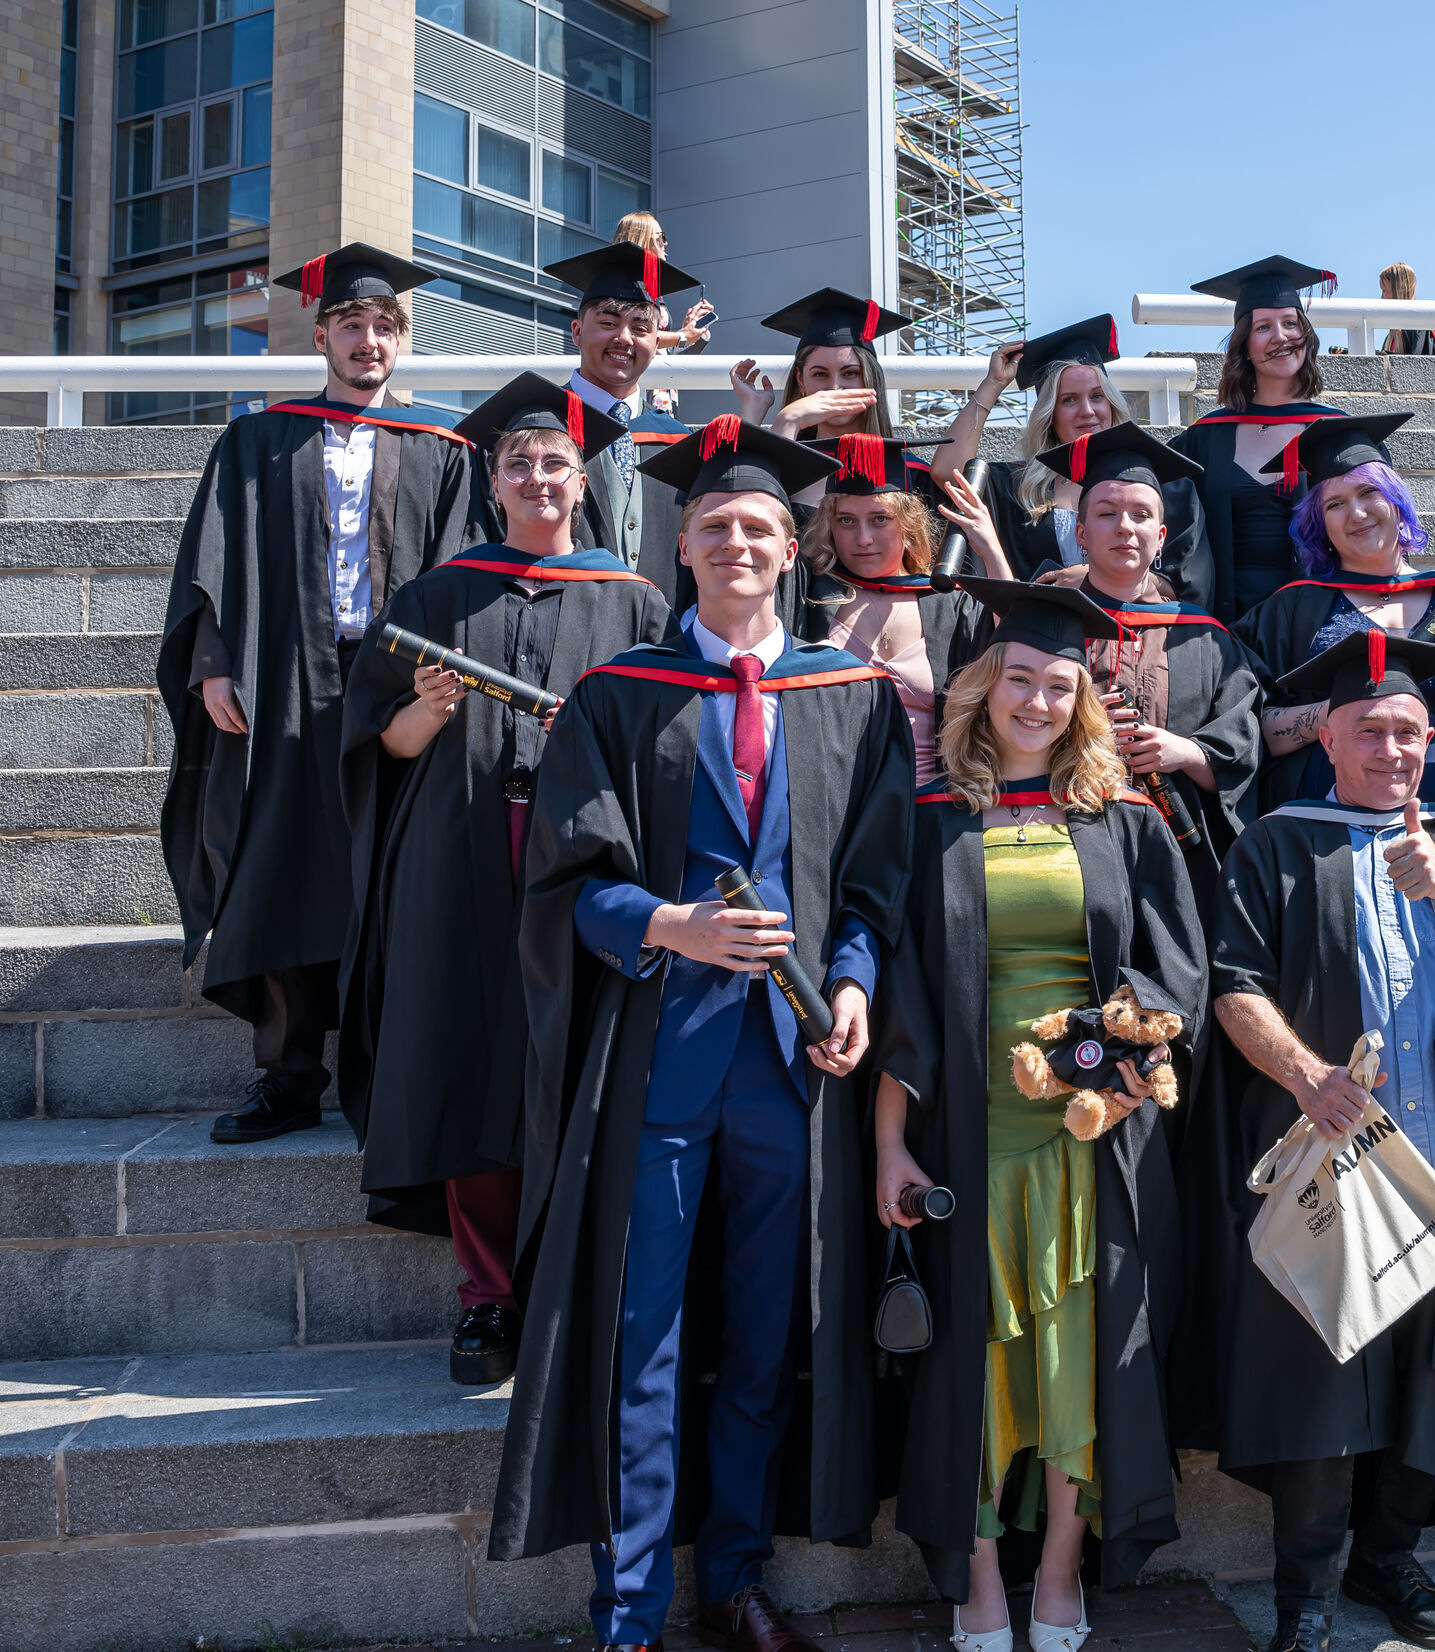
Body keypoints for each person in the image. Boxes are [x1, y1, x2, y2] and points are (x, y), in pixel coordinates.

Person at [489, 417, 915, 1652]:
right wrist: (669, 920)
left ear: (793, 551)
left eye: (760, 529)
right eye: (716, 525)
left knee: (763, 1332)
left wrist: (851, 982)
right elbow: (565, 881)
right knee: (647, 1330)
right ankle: (625, 1606)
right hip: (660, 1064)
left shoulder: (851, 697)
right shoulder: (620, 695)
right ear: (680, 544)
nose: (738, 542)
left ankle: (734, 1578)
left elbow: (876, 882)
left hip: (793, 1069)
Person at [1192, 629, 1435, 1652]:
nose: (1391, 747)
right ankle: (1302, 1592)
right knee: (1324, 1368)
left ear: (1427, 734)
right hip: (1335, 1156)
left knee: (1433, 1372)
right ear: (1330, 737)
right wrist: (1306, 1075)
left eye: (1407, 729)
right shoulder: (1277, 840)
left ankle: (1389, 1557)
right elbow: (1233, 985)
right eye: (1370, 730)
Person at [872, 582, 1207, 1652]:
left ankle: (1060, 1562)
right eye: (1019, 678)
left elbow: (1175, 967)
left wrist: (1115, 1073)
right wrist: (888, 1143)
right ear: (981, 688)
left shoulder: (1120, 818)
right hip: (966, 1132)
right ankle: (977, 1569)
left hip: (1091, 1133)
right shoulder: (930, 818)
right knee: (972, 1353)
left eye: (1059, 685)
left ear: (1083, 700)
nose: (1037, 699)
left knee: (1076, 1347)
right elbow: (901, 997)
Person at [337, 373, 674, 1387]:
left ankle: (580, 1283)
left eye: (554, 464)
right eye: (519, 463)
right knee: (475, 1062)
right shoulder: (436, 597)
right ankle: (488, 1298)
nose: (537, 477)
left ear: (583, 481)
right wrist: (432, 710)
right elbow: (379, 747)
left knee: (582, 1059)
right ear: (491, 479)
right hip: (460, 856)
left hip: (586, 863)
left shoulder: (636, 600)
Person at [157, 242, 482, 1147]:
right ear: (322, 336)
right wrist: (212, 663)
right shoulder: (259, 439)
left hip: (394, 682)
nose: (368, 339)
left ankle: (387, 1072)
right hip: (283, 677)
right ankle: (290, 1076)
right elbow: (210, 559)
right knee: (284, 867)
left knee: (390, 866)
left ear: (400, 340)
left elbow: (464, 568)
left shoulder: (442, 450)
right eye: (351, 324)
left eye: (384, 326)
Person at [1028, 424, 1262, 897]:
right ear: (1081, 533)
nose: (1124, 527)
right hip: (1058, 835)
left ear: (1160, 538)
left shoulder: (1203, 635)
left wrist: (1186, 752)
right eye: (1107, 513)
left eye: (1140, 515)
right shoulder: (1041, 626)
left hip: (1177, 847)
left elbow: (1244, 728)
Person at [1238, 415, 1435, 812]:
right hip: (1328, 816)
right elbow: (1253, 731)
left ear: (1396, 499)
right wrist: (1343, 710)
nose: (1358, 514)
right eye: (1335, 504)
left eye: (1368, 493)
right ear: (1320, 524)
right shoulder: (1292, 608)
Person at [928, 314, 1211, 603]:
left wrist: (1094, 577)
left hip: (1136, 636)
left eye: (1097, 396)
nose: (1087, 411)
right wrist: (993, 384)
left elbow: (1188, 585)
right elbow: (947, 471)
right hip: (1042, 639)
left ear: (1112, 403)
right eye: (1069, 400)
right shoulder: (1020, 490)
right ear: (1050, 415)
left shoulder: (1167, 490)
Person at [794, 434, 1009, 787]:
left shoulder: (946, 604)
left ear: (908, 527)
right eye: (846, 521)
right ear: (829, 527)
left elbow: (1016, 650)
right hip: (834, 804)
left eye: (880, 519)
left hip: (931, 808)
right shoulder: (808, 596)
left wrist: (991, 550)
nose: (863, 538)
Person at [1168, 256, 1349, 624]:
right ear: (1245, 345)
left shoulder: (1339, 432)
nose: (1281, 337)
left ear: (1306, 335)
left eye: (1290, 323)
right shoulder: (1206, 437)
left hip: (1318, 622)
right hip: (1224, 625)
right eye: (1264, 327)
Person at [543, 242, 704, 606]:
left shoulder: (678, 442)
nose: (624, 339)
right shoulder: (537, 430)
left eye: (640, 327)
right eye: (608, 323)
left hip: (662, 648)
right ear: (576, 331)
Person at [731, 287, 909, 526]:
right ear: (801, 381)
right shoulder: (789, 459)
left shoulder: (908, 470)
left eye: (850, 373)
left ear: (870, 378)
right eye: (820, 374)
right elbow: (744, 514)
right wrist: (763, 414)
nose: (835, 388)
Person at [608, 211, 715, 415]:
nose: (666, 244)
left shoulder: (653, 289)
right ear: (643, 239)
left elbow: (662, 351)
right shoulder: (626, 286)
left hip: (660, 392)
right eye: (661, 237)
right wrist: (681, 336)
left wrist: (691, 330)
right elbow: (634, 335)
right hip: (636, 387)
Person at [1378, 263, 1435, 358]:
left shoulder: (1421, 328)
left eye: (1384, 291)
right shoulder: (1392, 337)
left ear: (1399, 291)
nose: (1381, 297)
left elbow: (1415, 366)